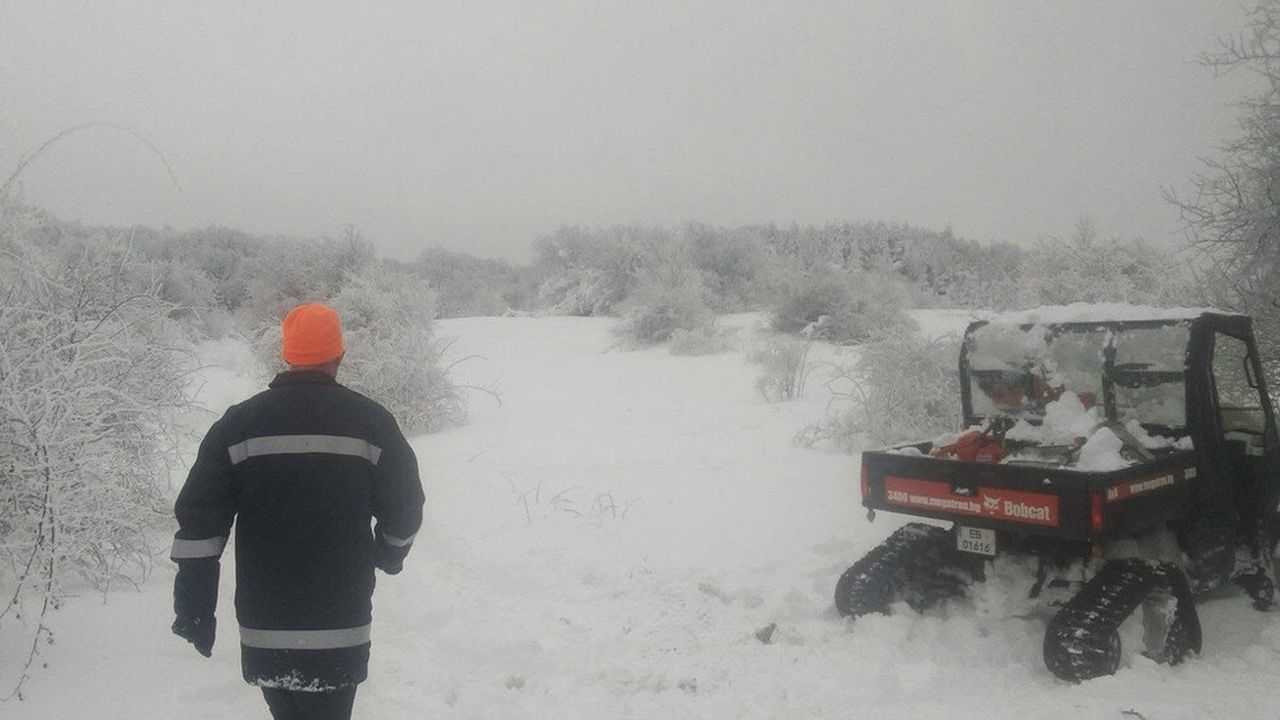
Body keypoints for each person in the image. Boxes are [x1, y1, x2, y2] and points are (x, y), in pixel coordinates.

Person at [170, 303, 425, 720]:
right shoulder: (372, 423)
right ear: (339, 355)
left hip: (265, 627)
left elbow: (200, 521)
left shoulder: (239, 425)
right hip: (341, 624)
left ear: (287, 355)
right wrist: (388, 554)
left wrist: (195, 605)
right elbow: (405, 508)